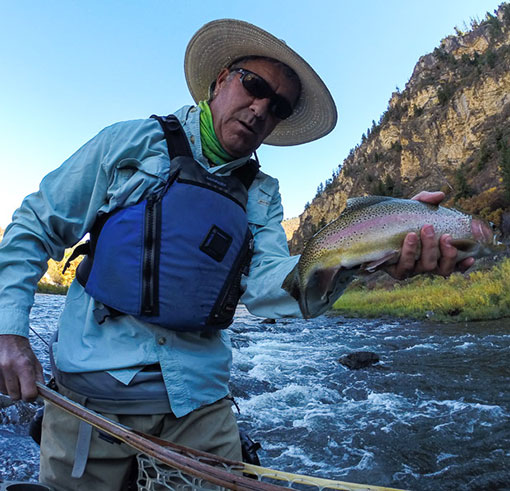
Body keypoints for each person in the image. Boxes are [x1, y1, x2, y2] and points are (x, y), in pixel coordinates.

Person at [0, 19, 474, 490]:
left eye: (279, 106)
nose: (260, 108)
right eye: (254, 85)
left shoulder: (262, 194)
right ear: (221, 79)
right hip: (89, 404)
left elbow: (272, 286)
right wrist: (8, 331)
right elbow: (34, 226)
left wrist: (372, 250)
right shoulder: (129, 142)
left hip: (200, 406)